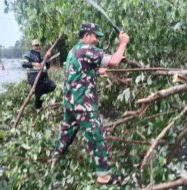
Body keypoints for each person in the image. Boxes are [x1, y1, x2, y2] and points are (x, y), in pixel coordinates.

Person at [51, 23, 129, 185]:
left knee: (67, 132)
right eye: (95, 36)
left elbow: (80, 70)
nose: (97, 40)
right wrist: (123, 43)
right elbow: (114, 61)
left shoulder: (74, 50)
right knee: (97, 135)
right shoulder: (87, 49)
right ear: (86, 35)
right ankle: (103, 176)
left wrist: (97, 71)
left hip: (70, 102)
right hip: (83, 103)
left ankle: (55, 159)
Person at [22, 39, 56, 109]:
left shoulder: (40, 55)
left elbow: (47, 66)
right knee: (39, 95)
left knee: (52, 86)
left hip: (43, 78)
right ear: (32, 46)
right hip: (34, 79)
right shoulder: (28, 55)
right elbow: (24, 64)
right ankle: (37, 108)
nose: (38, 47)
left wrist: (48, 59)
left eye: (39, 46)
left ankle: (41, 100)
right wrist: (34, 64)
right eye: (36, 46)